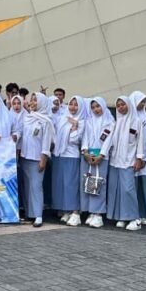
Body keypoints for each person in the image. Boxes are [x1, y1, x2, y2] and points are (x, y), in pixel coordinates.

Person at [102, 94, 145, 231]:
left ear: (129, 105)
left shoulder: (137, 121)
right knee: (116, 189)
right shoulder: (116, 122)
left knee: (128, 190)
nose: (121, 107)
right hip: (115, 161)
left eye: (123, 104)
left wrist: (139, 158)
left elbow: (140, 141)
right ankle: (121, 216)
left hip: (129, 161)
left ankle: (135, 218)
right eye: (118, 105)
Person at [18, 93, 53, 227]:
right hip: (25, 157)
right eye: (31, 100)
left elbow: (46, 142)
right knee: (27, 187)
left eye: (35, 100)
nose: (32, 103)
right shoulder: (27, 117)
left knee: (36, 186)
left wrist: (43, 158)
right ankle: (29, 213)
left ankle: (38, 215)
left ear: (42, 103)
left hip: (37, 158)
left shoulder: (46, 121)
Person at [51, 96, 86, 226]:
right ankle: (66, 209)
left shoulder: (82, 121)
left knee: (71, 185)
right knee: (61, 185)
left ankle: (75, 211)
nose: (73, 107)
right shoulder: (62, 119)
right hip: (59, 155)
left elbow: (74, 140)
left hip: (72, 156)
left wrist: (75, 127)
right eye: (71, 104)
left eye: (76, 105)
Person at [80, 96, 113, 228]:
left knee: (99, 183)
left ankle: (98, 214)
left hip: (101, 157)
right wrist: (85, 152)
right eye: (93, 107)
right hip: (89, 157)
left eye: (98, 106)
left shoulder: (110, 122)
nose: (96, 109)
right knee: (89, 182)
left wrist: (101, 155)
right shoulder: (89, 121)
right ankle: (91, 211)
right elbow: (85, 137)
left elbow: (109, 140)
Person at [130, 92, 146, 225]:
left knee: (143, 187)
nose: (142, 104)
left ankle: (143, 214)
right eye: (140, 101)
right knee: (132, 187)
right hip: (132, 158)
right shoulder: (130, 118)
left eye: (144, 102)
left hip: (145, 159)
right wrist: (137, 157)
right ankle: (133, 214)